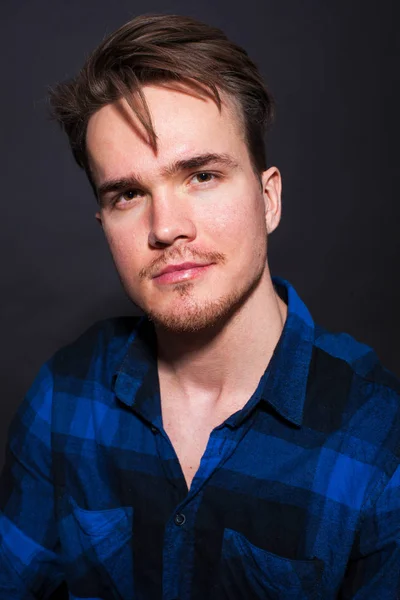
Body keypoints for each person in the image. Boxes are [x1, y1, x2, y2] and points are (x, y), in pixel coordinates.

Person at [1, 12, 399, 600]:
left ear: (268, 199)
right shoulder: (65, 395)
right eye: (129, 194)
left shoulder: (380, 442)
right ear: (103, 222)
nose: (166, 228)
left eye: (202, 176)